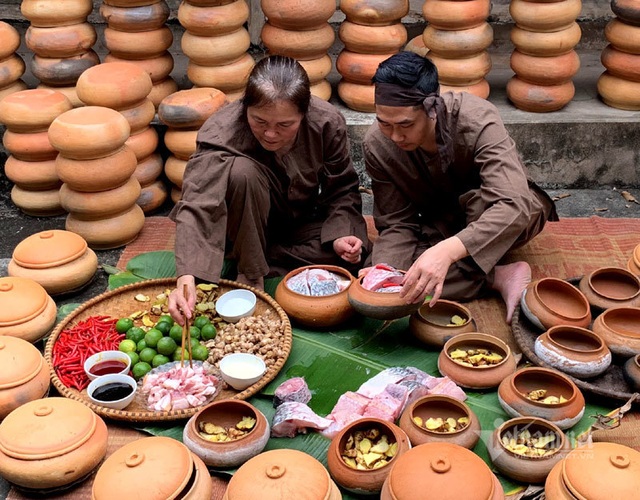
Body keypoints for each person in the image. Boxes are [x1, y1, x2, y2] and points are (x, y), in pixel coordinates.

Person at [168, 55, 369, 324]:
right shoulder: (221, 130)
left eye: (285, 125)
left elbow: (342, 188)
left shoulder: (326, 123)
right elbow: (197, 202)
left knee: (355, 254)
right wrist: (187, 276)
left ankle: (254, 259)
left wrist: (341, 235)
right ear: (245, 108)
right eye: (260, 122)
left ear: (304, 113)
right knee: (241, 173)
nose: (271, 134)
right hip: (241, 228)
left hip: (299, 222)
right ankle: (251, 272)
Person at [363, 51, 558, 324]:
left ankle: (459, 264)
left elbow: (513, 204)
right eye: (384, 123)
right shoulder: (377, 144)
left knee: (483, 207)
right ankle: (496, 276)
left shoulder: (478, 119)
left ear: (432, 109)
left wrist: (447, 251)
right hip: (441, 224)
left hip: (501, 219)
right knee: (386, 277)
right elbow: (396, 222)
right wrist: (384, 272)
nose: (395, 136)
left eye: (405, 125)